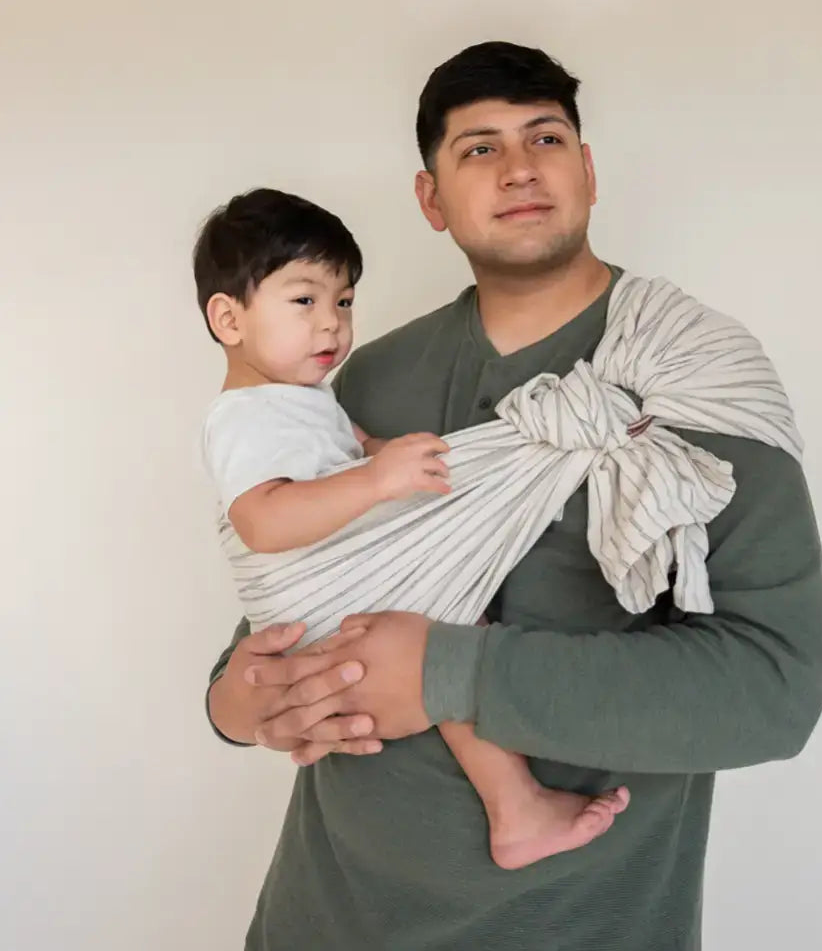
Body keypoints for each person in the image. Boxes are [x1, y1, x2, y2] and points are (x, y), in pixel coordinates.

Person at [206, 41, 822, 950]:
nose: (520, 168)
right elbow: (302, 575)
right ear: (431, 198)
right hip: (321, 917)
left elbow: (775, 689)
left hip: (575, 925)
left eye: (544, 137)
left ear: (585, 169)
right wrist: (235, 700)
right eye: (479, 148)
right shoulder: (361, 380)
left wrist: (447, 671)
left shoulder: (691, 379)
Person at [195, 187, 631, 870]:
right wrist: (376, 479)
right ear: (228, 318)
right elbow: (263, 521)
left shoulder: (302, 401)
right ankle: (515, 807)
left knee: (446, 638)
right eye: (304, 300)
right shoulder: (244, 417)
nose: (332, 325)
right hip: (311, 597)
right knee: (447, 639)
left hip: (340, 581)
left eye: (343, 302)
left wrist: (378, 457)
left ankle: (514, 804)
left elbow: (343, 455)